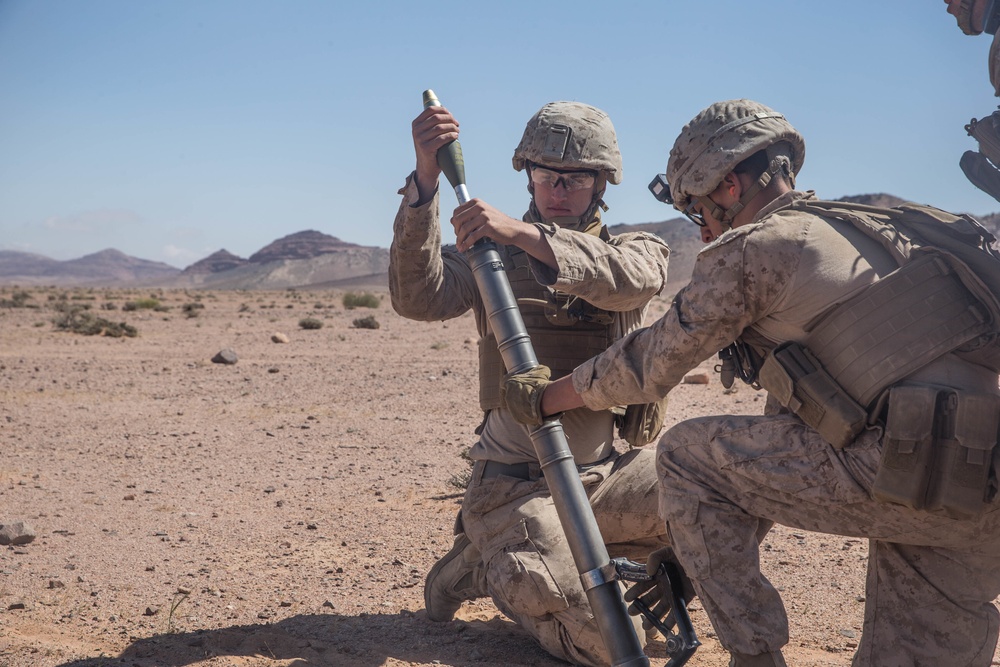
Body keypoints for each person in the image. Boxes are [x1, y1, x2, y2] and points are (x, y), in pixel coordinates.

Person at [502, 98, 1000, 667]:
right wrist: (696, 551)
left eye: (699, 212)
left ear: (731, 187)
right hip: (979, 482)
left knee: (688, 458)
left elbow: (652, 360)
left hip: (901, 464)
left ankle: (755, 657)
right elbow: (798, 424)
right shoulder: (870, 231)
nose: (705, 228)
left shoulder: (760, 246)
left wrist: (547, 396)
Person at [389, 100, 672, 665]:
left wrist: (523, 234)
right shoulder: (486, 254)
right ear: (528, 176)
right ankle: (486, 562)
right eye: (545, 175)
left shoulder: (637, 250)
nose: (557, 189)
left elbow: (629, 281)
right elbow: (416, 298)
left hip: (603, 480)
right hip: (515, 487)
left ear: (601, 184)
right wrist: (425, 180)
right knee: (616, 647)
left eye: (574, 178)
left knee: (718, 487)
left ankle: (590, 557)